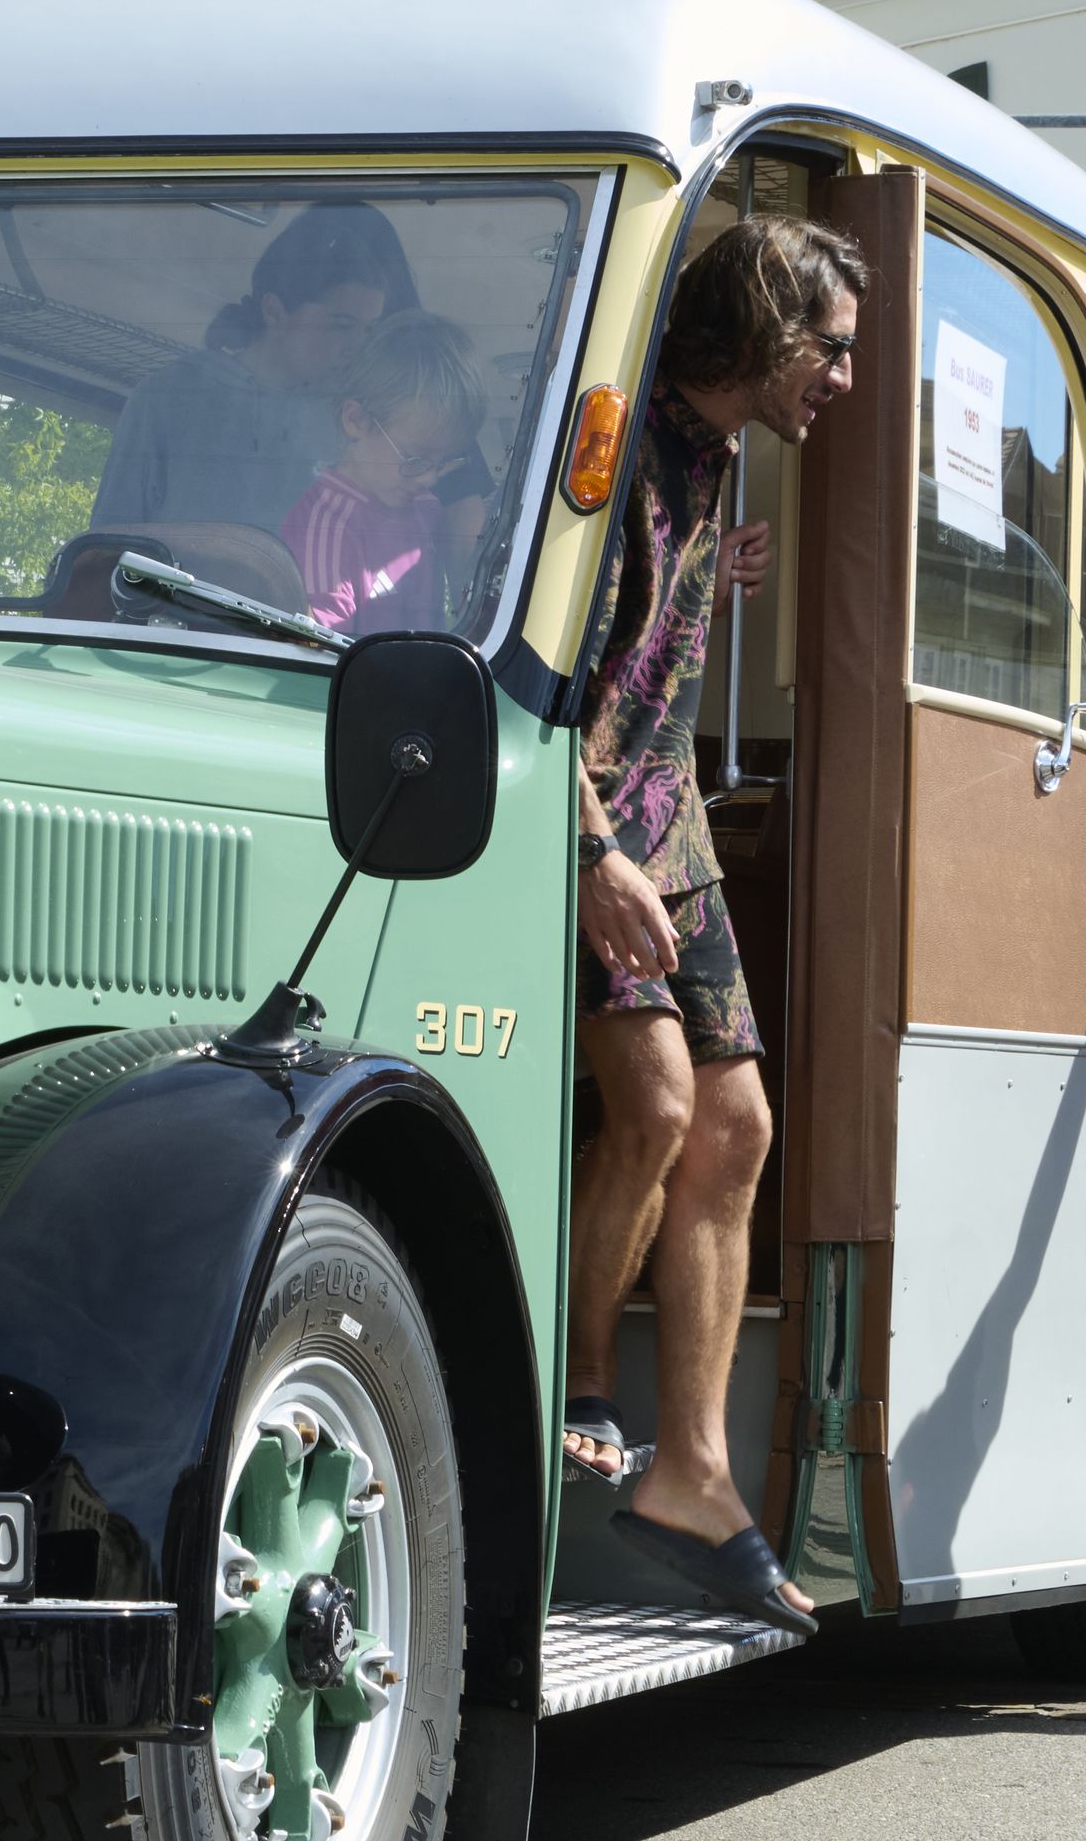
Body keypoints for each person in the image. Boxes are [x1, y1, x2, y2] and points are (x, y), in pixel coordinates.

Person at [562, 217, 857, 1630]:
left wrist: (703, 581)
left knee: (740, 1128)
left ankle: (693, 1467)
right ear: (765, 331)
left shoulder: (715, 449)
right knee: (663, 1107)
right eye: (834, 348)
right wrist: (586, 853)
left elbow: (652, 623)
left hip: (670, 815)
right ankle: (582, 1390)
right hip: (590, 827)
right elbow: (526, 671)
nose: (846, 379)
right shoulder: (608, 448)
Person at [97, 203, 422, 538]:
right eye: (342, 325)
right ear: (275, 311)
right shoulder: (169, 399)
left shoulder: (352, 426)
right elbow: (104, 551)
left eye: (368, 330)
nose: (357, 346)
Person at [285, 312, 490, 640]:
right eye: (416, 459)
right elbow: (318, 651)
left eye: (443, 463)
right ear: (357, 420)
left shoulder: (425, 509)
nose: (429, 479)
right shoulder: (327, 525)